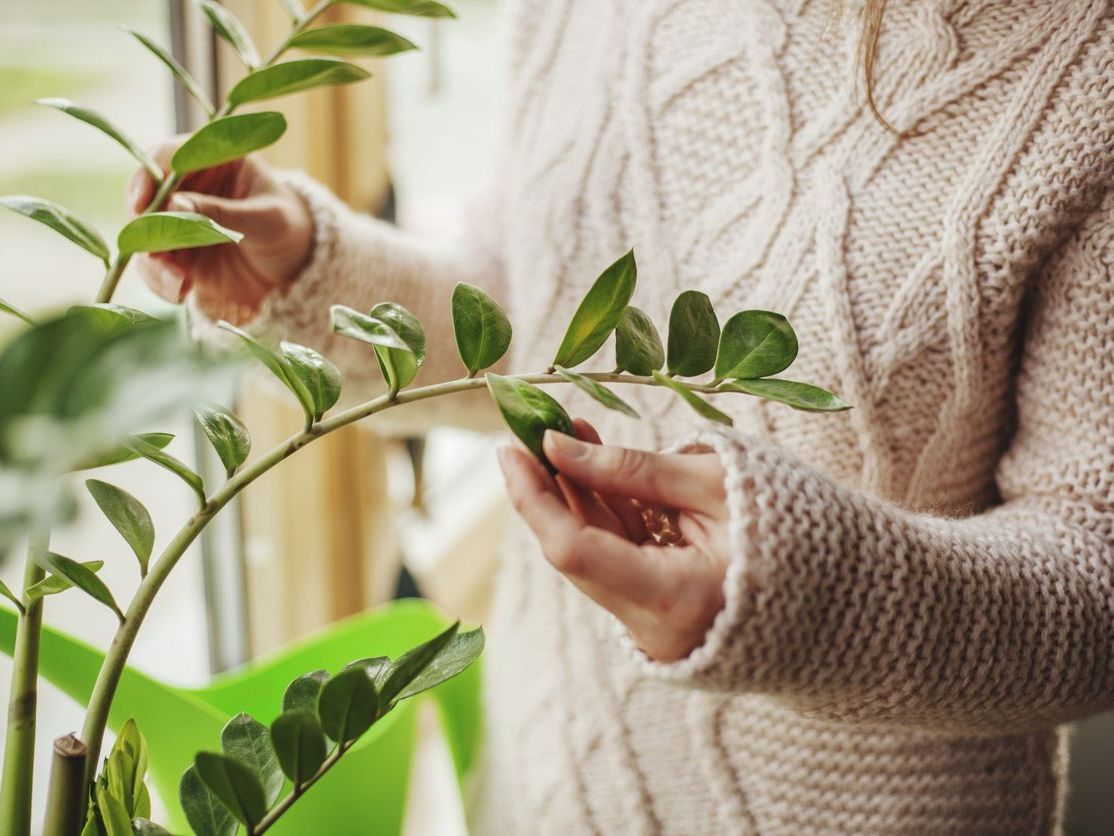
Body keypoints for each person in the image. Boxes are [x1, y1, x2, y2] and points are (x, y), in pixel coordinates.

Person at [129, 1, 1114, 832]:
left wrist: (799, 590)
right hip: (546, 772)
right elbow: (540, 321)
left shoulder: (1087, 68)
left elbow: (1096, 565)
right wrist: (314, 268)